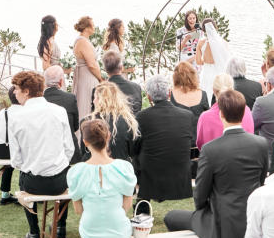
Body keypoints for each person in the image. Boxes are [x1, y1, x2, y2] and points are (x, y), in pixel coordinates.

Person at [165, 89, 269, 238]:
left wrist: (203, 210)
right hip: (251, 215)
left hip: (224, 220)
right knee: (219, 214)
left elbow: (200, 193)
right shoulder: (260, 144)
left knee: (171, 217)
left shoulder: (211, 149)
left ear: (221, 114)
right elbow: (261, 181)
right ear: (244, 113)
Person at [67, 118, 136, 238]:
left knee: (101, 233)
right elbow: (126, 205)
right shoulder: (124, 168)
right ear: (109, 137)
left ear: (85, 142)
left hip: (89, 228)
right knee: (112, 232)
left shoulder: (77, 171)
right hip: (119, 229)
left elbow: (78, 210)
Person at [7, 71, 75, 238]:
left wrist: (30, 165)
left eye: (16, 89)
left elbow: (15, 160)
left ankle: (34, 232)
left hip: (32, 183)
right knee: (65, 171)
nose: (14, 92)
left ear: (27, 91)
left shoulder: (15, 117)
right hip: (59, 181)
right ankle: (60, 226)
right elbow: (69, 149)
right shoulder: (59, 111)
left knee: (24, 175)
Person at [136, 73, 195, 201]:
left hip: (151, 173)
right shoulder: (187, 115)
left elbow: (134, 148)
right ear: (169, 93)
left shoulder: (141, 117)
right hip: (179, 172)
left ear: (149, 97)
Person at [77, 81, 140, 167]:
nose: (94, 101)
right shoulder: (128, 121)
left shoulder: (87, 122)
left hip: (94, 168)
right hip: (120, 169)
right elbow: (133, 151)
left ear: (101, 100)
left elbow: (84, 150)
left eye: (95, 97)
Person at [196, 74, 255, 149]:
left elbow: (201, 145)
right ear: (232, 89)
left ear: (214, 91)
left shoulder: (205, 117)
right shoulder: (246, 110)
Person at [73, 16, 103, 124]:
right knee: (87, 102)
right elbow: (91, 65)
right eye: (93, 25)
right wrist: (100, 78)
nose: (94, 27)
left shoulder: (82, 40)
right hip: (87, 76)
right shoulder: (83, 42)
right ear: (86, 28)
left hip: (85, 74)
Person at [0, 87, 20, 205]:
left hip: (0, 150)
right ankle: (25, 193)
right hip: (13, 150)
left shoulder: (3, 112)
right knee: (27, 164)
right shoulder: (23, 112)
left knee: (8, 166)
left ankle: (5, 195)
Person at [171, 61, 211, 138]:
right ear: (193, 75)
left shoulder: (171, 94)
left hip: (179, 140)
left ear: (175, 77)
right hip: (199, 140)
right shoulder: (202, 94)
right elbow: (207, 118)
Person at [44, 65, 79, 149]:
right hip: (70, 147)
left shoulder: (39, 100)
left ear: (45, 82)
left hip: (48, 148)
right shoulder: (70, 98)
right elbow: (75, 127)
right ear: (60, 82)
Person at [197, 19, 232, 100]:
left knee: (206, 94)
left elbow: (198, 61)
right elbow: (227, 60)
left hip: (206, 72)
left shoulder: (201, 43)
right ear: (215, 28)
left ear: (203, 30)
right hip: (219, 73)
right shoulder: (224, 43)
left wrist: (206, 61)